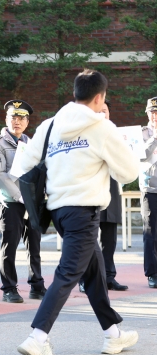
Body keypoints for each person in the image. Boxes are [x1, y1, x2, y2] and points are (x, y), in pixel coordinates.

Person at [16, 70, 139, 355]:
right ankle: (38, 337)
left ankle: (113, 333)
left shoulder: (50, 125)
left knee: (94, 271)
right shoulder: (102, 127)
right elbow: (129, 172)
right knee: (68, 274)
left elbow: (22, 164)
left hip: (58, 212)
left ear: (75, 93)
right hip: (84, 212)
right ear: (100, 97)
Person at [0, 100, 46, 303]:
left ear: (27, 121)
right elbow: (0, 175)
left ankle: (37, 285)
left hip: (30, 201)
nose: (17, 121)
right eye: (13, 117)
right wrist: (19, 195)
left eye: (21, 118)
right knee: (10, 246)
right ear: (6, 119)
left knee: (34, 245)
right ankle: (9, 288)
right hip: (10, 201)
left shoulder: (30, 144)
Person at [80, 101, 127, 293]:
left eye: (105, 110)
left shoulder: (117, 135)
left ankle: (109, 276)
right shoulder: (83, 134)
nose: (102, 113)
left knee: (110, 238)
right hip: (92, 190)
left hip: (111, 188)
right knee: (88, 239)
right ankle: (85, 279)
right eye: (98, 111)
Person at [140, 96, 157, 289]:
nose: (155, 115)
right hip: (149, 187)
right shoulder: (142, 133)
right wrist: (155, 137)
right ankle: (152, 272)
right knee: (150, 231)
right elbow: (141, 155)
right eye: (152, 112)